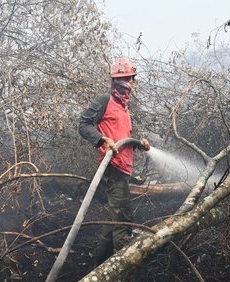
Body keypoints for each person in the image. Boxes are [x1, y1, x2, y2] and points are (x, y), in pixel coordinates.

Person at [78, 57, 150, 265]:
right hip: (113, 168)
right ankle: (122, 267)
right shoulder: (104, 101)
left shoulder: (124, 108)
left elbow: (122, 139)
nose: (130, 84)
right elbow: (83, 125)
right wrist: (102, 139)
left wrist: (139, 143)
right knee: (123, 220)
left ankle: (98, 265)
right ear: (117, 80)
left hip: (124, 169)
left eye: (131, 79)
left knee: (112, 220)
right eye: (127, 79)